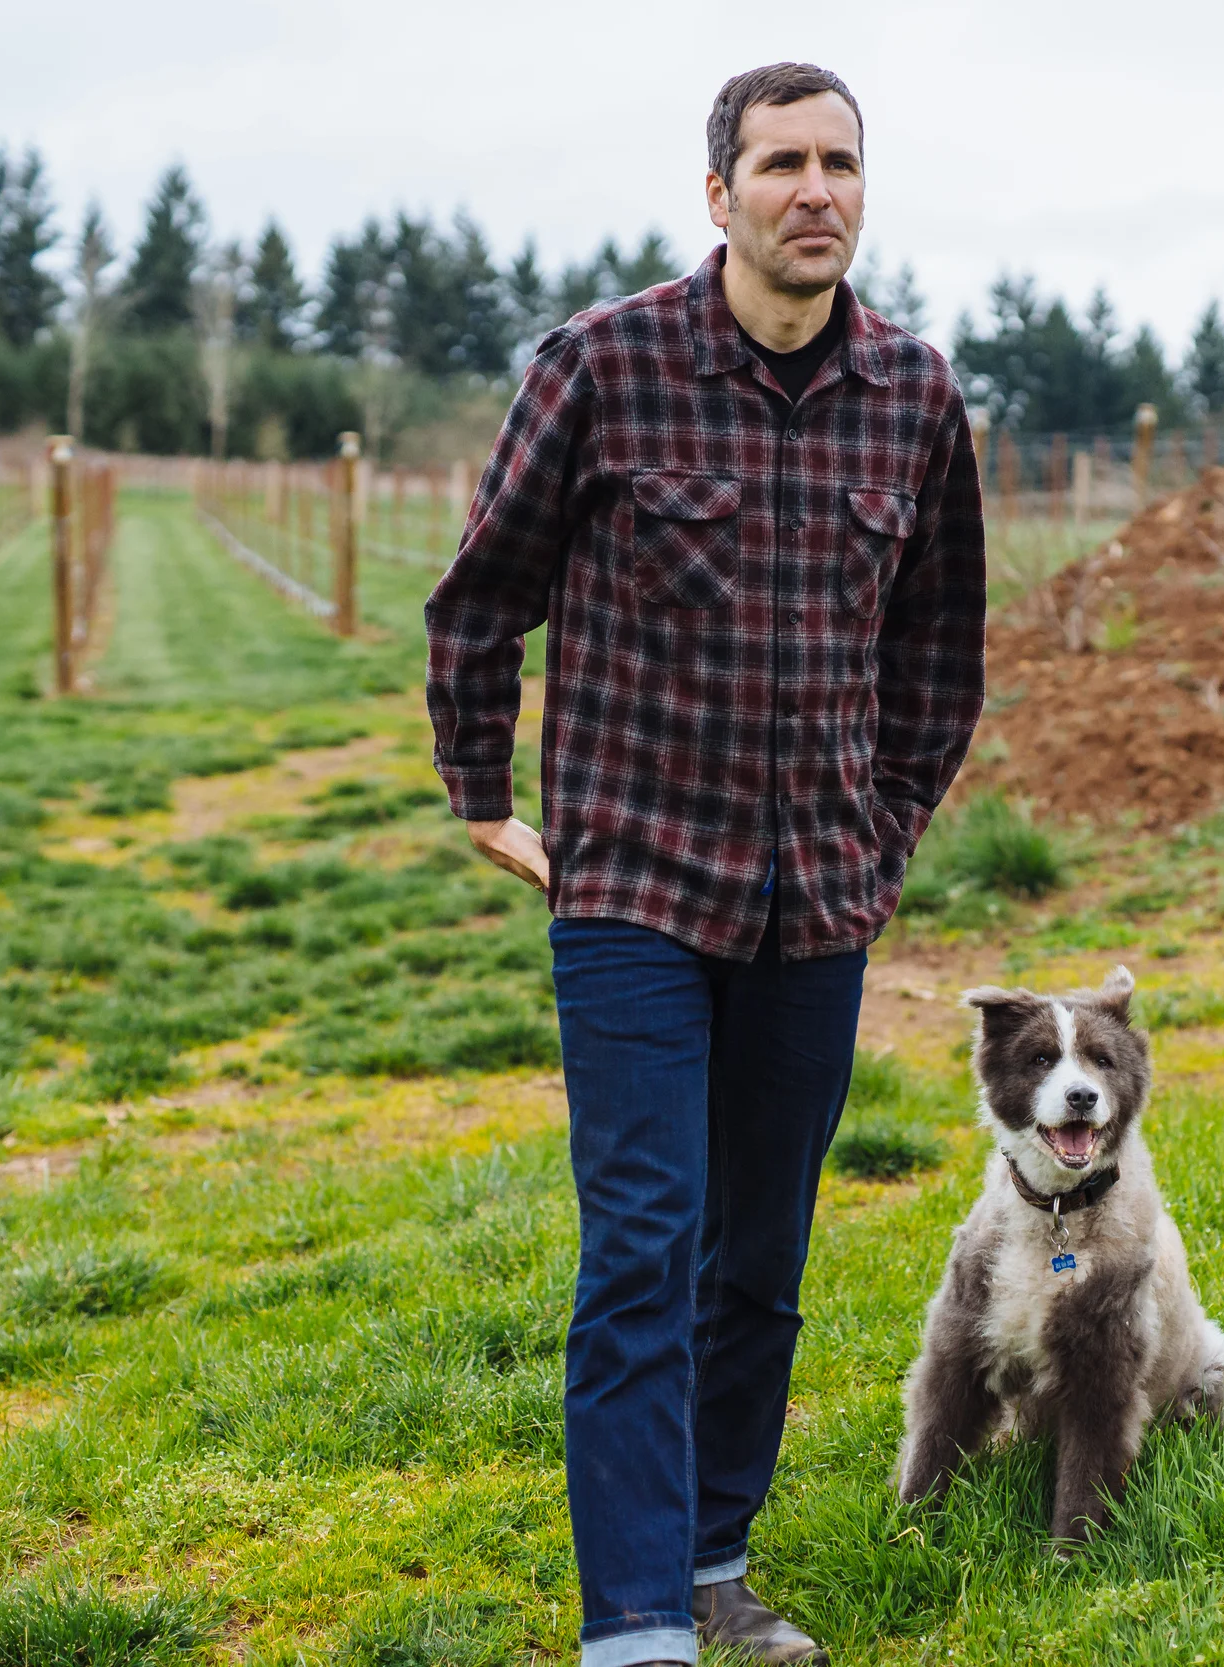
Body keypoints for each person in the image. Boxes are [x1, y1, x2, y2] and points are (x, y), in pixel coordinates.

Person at [424, 61, 986, 1667]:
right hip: (634, 885)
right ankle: (637, 1627)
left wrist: (882, 829)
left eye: (843, 164)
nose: (818, 190)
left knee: (764, 1250)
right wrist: (482, 783)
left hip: (817, 896)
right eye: (783, 163)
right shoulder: (603, 369)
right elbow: (482, 596)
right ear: (721, 194)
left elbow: (942, 647)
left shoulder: (917, 395)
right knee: (646, 1240)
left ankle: (716, 1557)